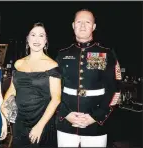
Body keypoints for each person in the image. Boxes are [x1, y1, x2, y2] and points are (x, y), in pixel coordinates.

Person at [55, 9, 122, 147]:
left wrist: (95, 116)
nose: (83, 26)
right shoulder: (62, 54)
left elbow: (115, 89)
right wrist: (65, 113)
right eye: (79, 22)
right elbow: (53, 89)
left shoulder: (106, 53)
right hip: (66, 122)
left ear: (94, 26)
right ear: (73, 25)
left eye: (87, 22)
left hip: (95, 125)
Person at [1, 22, 61, 148]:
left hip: (42, 123)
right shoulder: (18, 64)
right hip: (20, 123)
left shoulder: (52, 65)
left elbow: (56, 99)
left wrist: (39, 126)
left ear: (46, 41)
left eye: (41, 35)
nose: (37, 39)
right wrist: (3, 108)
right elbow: (13, 90)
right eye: (33, 35)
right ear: (27, 39)